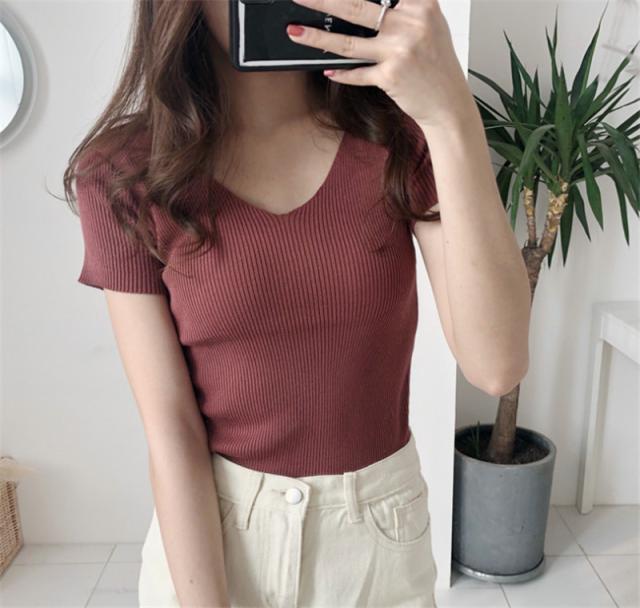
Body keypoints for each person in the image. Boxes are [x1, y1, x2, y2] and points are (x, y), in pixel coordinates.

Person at [64, 0, 531, 606]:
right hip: (212, 540)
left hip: (378, 540)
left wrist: (450, 112)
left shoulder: (400, 134)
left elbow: (497, 365)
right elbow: (171, 428)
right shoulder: (123, 172)